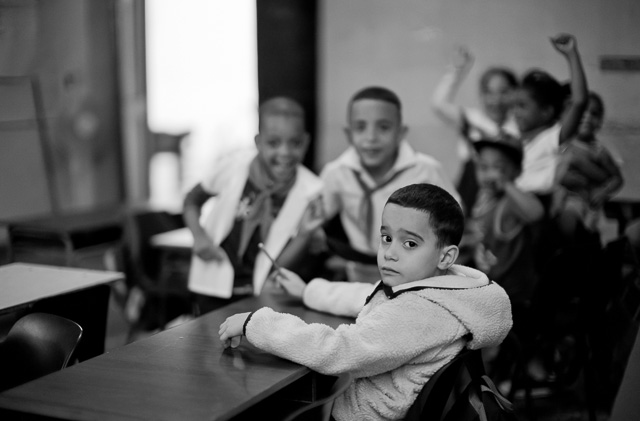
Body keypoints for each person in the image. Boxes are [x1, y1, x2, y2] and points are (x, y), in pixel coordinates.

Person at [219, 183, 513, 421]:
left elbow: (339, 351)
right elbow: (370, 294)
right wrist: (308, 290)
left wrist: (256, 323)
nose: (390, 253)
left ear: (446, 256)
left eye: (409, 243)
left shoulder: (420, 312)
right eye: (386, 238)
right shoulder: (443, 290)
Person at [183, 97, 324, 315]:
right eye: (274, 143)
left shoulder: (312, 191)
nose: (285, 153)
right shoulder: (233, 166)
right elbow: (192, 200)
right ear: (258, 142)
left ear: (305, 142)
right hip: (213, 284)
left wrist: (305, 235)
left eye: (294, 143)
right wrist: (199, 237)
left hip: (261, 294)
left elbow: (278, 265)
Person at [321, 86, 460, 284]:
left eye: (384, 127)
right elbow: (315, 219)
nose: (371, 138)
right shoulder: (336, 173)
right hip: (357, 274)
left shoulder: (426, 171)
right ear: (348, 133)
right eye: (360, 127)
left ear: (401, 132)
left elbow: (453, 224)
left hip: (414, 277)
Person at [432, 47, 519, 214]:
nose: (496, 100)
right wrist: (457, 71)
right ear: (482, 94)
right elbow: (438, 105)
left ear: (515, 93)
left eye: (504, 92)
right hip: (470, 193)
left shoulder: (518, 127)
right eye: (489, 93)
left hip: (507, 197)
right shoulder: (471, 119)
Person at [465, 135, 544, 319]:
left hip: (510, 297)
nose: (489, 174)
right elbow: (481, 229)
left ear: (516, 172)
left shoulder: (509, 204)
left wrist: (507, 184)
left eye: (498, 168)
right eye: (483, 167)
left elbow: (536, 213)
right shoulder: (484, 198)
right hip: (489, 285)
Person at [512, 33, 588, 208]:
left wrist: (571, 55)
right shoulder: (515, 139)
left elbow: (579, 102)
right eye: (514, 106)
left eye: (523, 106)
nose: (515, 112)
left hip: (539, 208)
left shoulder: (551, 138)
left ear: (546, 112)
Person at [554, 91, 624, 240]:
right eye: (581, 112)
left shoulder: (598, 151)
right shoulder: (561, 144)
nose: (587, 117)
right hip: (557, 200)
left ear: (600, 120)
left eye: (594, 113)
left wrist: (603, 192)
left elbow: (617, 179)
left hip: (583, 203)